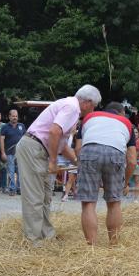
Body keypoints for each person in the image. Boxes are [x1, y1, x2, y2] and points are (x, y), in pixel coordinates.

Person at [16, 85, 100, 245]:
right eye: (94, 105)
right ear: (87, 102)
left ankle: (46, 234)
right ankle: (33, 240)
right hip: (34, 148)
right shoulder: (72, 108)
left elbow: (62, 144)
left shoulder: (70, 107)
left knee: (46, 196)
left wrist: (77, 162)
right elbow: (54, 132)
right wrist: (53, 161)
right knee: (35, 196)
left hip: (39, 148)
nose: (93, 109)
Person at [75, 101, 136, 245]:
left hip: (90, 151)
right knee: (114, 202)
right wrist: (124, 183)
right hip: (115, 153)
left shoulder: (89, 117)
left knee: (89, 203)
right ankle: (114, 245)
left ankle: (91, 248)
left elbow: (78, 149)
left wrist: (83, 166)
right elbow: (132, 160)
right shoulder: (126, 122)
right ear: (121, 113)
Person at [0, 109, 26, 196]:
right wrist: (3, 152)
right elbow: (1, 139)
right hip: (9, 153)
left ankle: (19, 188)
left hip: (20, 153)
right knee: (11, 171)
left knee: (20, 171)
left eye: (16, 116)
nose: (15, 117)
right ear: (9, 116)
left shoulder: (22, 126)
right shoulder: (5, 127)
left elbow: (25, 139)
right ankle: (12, 189)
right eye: (13, 116)